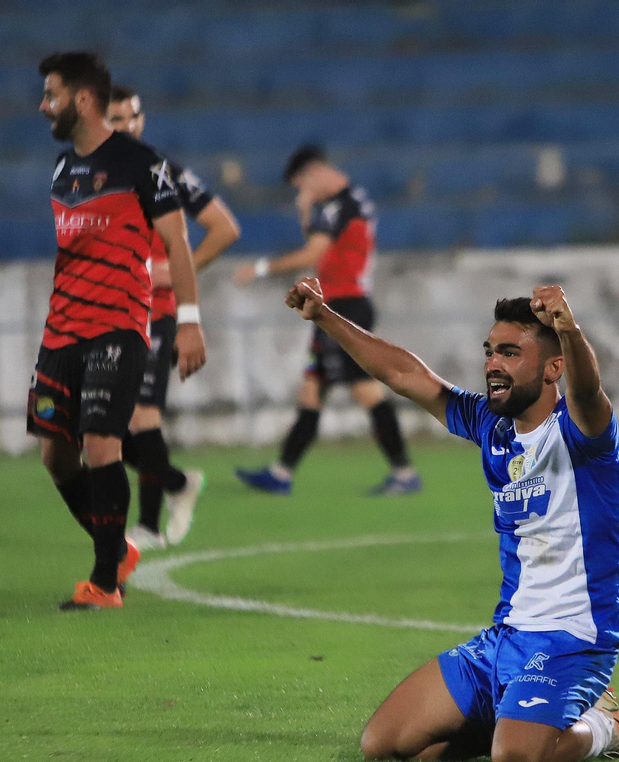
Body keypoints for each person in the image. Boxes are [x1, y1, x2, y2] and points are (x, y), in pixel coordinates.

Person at [279, 276, 619, 762]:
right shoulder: (490, 426)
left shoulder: (583, 432)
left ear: (553, 366)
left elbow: (588, 388)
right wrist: (323, 316)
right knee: (385, 744)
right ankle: (515, 711)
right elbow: (407, 376)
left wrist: (570, 330)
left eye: (511, 353)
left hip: (573, 639)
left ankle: (606, 726)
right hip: (507, 636)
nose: (493, 364)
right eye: (490, 351)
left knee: (515, 757)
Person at [31, 52, 207, 611]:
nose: (44, 106)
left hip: (119, 329)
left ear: (82, 100)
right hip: (62, 331)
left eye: (52, 94)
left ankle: (105, 581)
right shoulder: (62, 170)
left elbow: (178, 243)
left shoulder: (141, 164)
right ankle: (118, 550)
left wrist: (189, 322)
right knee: (56, 458)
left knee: (103, 443)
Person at [233, 145, 420, 496]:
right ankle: (281, 473)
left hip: (346, 307)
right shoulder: (346, 203)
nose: (303, 192)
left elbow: (313, 253)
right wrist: (307, 213)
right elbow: (322, 250)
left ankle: (405, 473)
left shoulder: (343, 205)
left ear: (314, 172)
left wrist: (259, 268)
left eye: (302, 185)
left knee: (366, 389)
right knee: (311, 391)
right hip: (334, 306)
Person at [105, 85, 240, 550]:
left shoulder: (162, 173)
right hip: (109, 311)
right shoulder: (95, 175)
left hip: (155, 312)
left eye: (132, 117)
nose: (127, 127)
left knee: (142, 415)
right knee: (98, 428)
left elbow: (225, 227)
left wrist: (175, 269)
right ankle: (178, 483)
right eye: (116, 119)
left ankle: (144, 526)